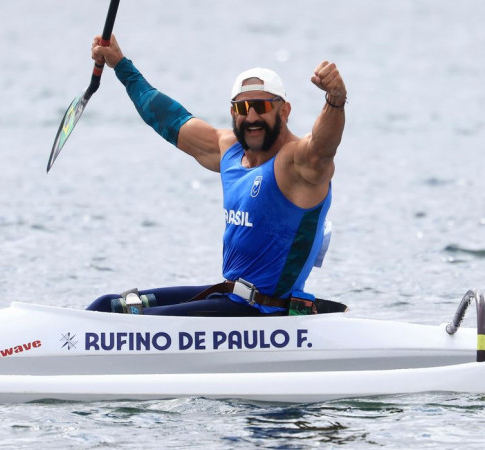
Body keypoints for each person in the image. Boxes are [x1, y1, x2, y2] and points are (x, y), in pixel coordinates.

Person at [86, 34, 347, 316]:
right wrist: (121, 65)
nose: (250, 117)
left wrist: (335, 99)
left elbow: (323, 147)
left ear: (284, 111)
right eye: (241, 109)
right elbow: (168, 118)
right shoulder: (230, 153)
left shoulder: (298, 163)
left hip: (267, 314)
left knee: (128, 321)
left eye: (260, 106)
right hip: (231, 298)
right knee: (106, 306)